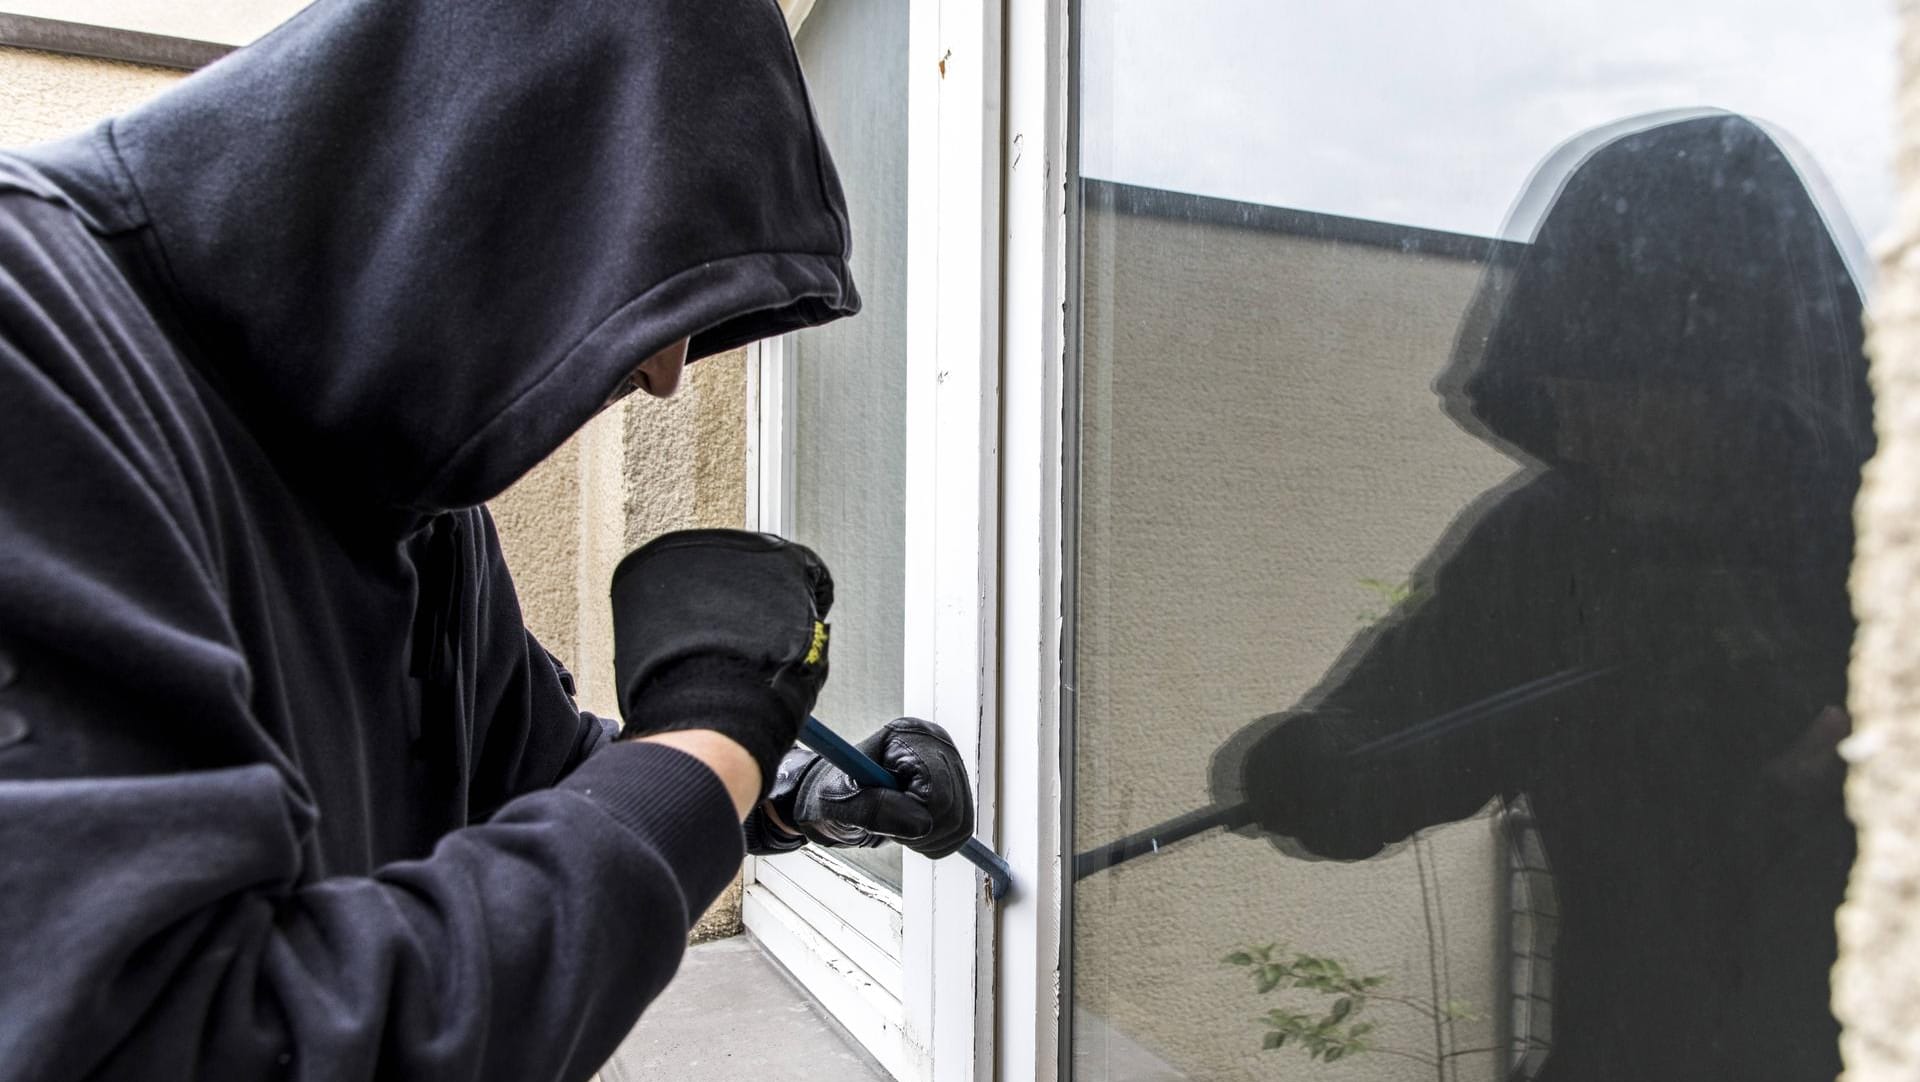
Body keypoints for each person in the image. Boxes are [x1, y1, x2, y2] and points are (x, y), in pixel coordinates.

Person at [0, 0, 972, 1079]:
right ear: (491, 156)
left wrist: (796, 789)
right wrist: (711, 741)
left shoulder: (415, 497)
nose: (665, 373)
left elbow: (542, 776)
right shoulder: (32, 339)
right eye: (656, 273)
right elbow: (192, 1038)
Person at [1211, 113, 1871, 1081]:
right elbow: (1421, 721)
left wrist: (1810, 766)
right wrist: (1329, 765)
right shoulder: (1551, 539)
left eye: (1624, 388)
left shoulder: (1883, 531)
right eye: (1567, 389)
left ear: (1737, 377)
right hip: (1621, 1046)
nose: (1585, 422)